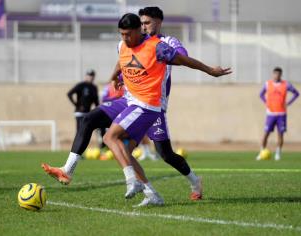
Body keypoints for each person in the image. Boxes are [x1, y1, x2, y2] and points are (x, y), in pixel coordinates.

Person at [42, 13, 231, 206]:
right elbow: (123, 59)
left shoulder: (162, 45)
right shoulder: (123, 44)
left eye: (146, 22)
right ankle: (69, 169)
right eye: (123, 33)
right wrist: (114, 76)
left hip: (152, 106)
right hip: (129, 101)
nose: (125, 37)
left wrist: (210, 70)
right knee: (90, 121)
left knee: (165, 154)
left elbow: (183, 58)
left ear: (154, 23)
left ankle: (193, 181)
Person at [256, 67, 299, 161]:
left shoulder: (286, 84)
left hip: (281, 113)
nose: (276, 76)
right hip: (270, 113)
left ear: (281, 75)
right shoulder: (268, 84)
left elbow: (296, 93)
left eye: (278, 74)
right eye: (275, 74)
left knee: (280, 134)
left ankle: (278, 153)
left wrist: (289, 103)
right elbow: (261, 94)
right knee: (266, 133)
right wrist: (266, 102)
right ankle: (261, 151)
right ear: (273, 74)